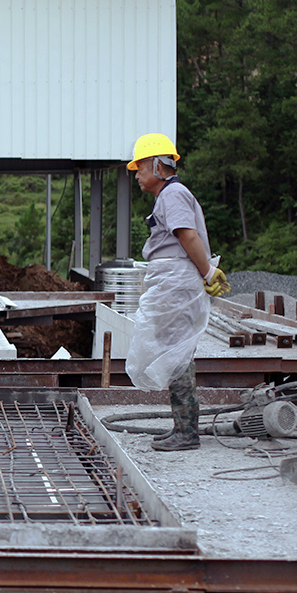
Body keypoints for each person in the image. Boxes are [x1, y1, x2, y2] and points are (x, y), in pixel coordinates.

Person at [124, 132, 230, 451]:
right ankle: (182, 428)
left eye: (140, 167)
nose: (138, 175)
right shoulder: (168, 196)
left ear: (158, 166)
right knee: (173, 349)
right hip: (172, 280)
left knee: (177, 352)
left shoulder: (173, 194)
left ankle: (187, 432)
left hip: (177, 281)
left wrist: (208, 271)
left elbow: (187, 236)